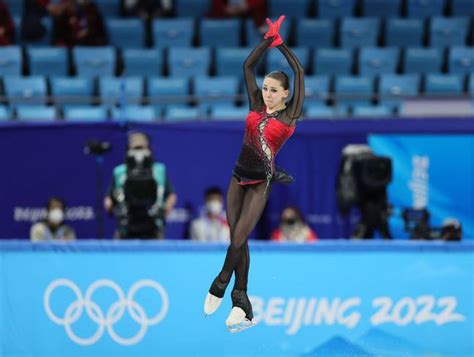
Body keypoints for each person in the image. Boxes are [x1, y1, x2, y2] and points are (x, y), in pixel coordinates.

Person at [203, 15, 304, 332]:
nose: (268, 94)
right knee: (238, 239)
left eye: (274, 90)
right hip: (237, 176)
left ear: (286, 94)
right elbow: (248, 66)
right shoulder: (256, 105)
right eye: (266, 89)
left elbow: (299, 72)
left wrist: (282, 46)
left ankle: (221, 282)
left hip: (261, 182)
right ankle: (241, 301)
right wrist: (266, 39)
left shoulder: (290, 116)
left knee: (239, 237)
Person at [104, 131, 177, 239]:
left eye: (141, 148)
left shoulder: (159, 170)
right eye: (136, 148)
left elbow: (171, 194)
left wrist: (165, 208)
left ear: (148, 149)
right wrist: (113, 206)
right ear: (129, 149)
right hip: (126, 225)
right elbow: (111, 196)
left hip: (154, 224)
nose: (139, 152)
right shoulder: (119, 171)